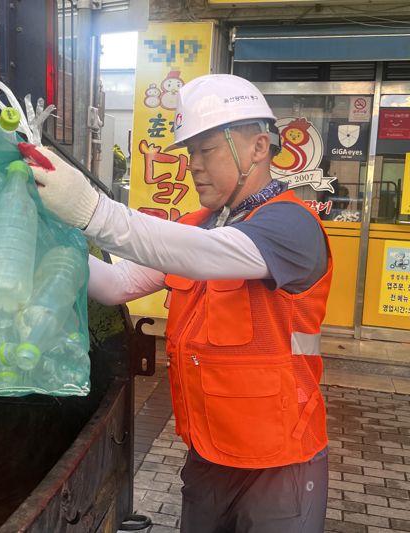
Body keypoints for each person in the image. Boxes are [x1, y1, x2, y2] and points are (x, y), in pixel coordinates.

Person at [20, 74, 331, 533]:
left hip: (280, 464)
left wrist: (93, 210)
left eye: (207, 149)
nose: (193, 166)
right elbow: (117, 283)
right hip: (208, 456)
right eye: (189, 152)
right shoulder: (199, 226)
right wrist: (38, 246)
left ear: (258, 148)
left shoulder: (291, 226)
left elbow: (206, 255)